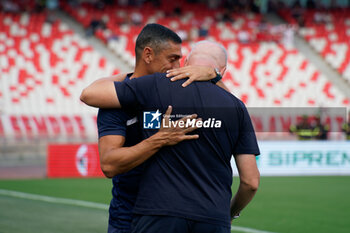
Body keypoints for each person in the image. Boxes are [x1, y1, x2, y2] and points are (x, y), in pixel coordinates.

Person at [84, 40, 260, 233]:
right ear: (223, 71)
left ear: (185, 64)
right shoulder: (237, 107)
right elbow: (250, 182)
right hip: (213, 216)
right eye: (172, 59)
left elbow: (89, 94)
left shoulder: (157, 86)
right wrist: (230, 214)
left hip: (157, 212)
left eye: (178, 60)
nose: (174, 66)